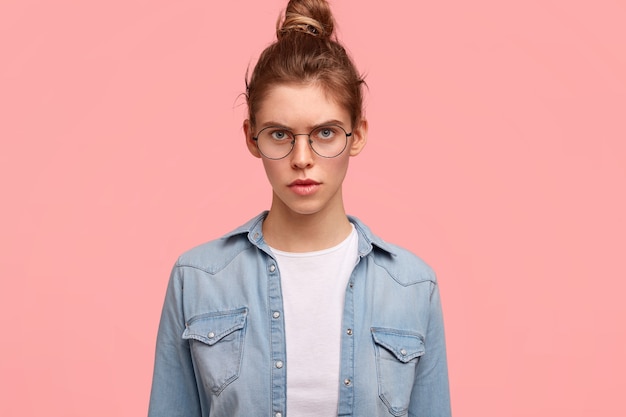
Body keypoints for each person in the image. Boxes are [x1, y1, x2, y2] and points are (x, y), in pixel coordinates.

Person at [148, 0, 451, 415]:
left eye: (325, 132)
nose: (302, 158)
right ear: (252, 138)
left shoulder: (413, 287)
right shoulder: (197, 280)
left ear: (357, 135)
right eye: (279, 134)